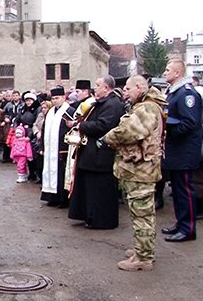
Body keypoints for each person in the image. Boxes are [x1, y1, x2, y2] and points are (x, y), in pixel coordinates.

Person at [104, 75, 166, 271]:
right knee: (142, 213)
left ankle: (144, 257)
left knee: (142, 214)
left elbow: (128, 131)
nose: (125, 93)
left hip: (141, 170)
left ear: (139, 87)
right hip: (139, 169)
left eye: (128, 89)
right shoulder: (146, 105)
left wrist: (108, 137)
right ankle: (142, 249)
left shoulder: (146, 108)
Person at [67, 75, 125, 229]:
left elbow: (103, 126)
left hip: (101, 155)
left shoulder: (113, 104)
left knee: (100, 191)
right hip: (92, 155)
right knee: (91, 189)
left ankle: (101, 220)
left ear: (106, 88)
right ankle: (90, 216)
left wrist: (81, 126)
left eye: (98, 85)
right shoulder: (101, 103)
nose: (95, 88)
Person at [160, 59, 202, 242]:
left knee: (184, 190)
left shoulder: (187, 94)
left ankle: (188, 229)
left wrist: (168, 132)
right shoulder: (174, 93)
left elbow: (189, 122)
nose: (164, 72)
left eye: (168, 70)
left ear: (178, 73)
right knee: (177, 191)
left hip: (184, 151)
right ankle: (181, 223)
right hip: (176, 151)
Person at [41, 86, 73, 207]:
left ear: (63, 98)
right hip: (50, 150)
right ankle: (51, 197)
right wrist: (42, 148)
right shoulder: (50, 112)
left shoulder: (69, 111)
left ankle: (63, 199)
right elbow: (44, 130)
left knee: (62, 174)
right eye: (53, 98)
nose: (55, 101)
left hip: (62, 148)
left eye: (57, 98)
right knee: (49, 171)